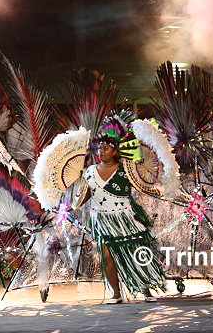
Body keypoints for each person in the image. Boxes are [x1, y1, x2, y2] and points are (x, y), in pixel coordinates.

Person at [82, 114, 167, 304]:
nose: (101, 152)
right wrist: (76, 200)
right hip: (102, 220)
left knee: (137, 253)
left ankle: (146, 291)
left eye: (105, 148)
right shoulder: (89, 172)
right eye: (99, 149)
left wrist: (156, 188)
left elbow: (142, 184)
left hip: (126, 218)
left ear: (115, 151)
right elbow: (85, 196)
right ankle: (116, 294)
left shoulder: (127, 169)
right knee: (107, 257)